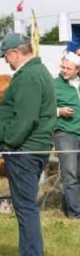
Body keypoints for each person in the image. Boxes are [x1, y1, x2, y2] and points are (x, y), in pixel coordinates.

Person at [0, 32, 56, 256]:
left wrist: (9, 143)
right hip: (33, 148)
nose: (6, 62)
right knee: (27, 205)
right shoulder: (38, 72)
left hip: (24, 150)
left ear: (16, 53)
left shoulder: (29, 76)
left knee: (25, 207)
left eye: (6, 57)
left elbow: (26, 117)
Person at [53, 52, 80, 218]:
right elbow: (43, 107)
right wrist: (59, 111)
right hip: (65, 133)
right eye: (62, 67)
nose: (64, 70)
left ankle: (69, 206)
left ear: (78, 69)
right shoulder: (53, 84)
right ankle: (74, 215)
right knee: (70, 174)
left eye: (68, 68)